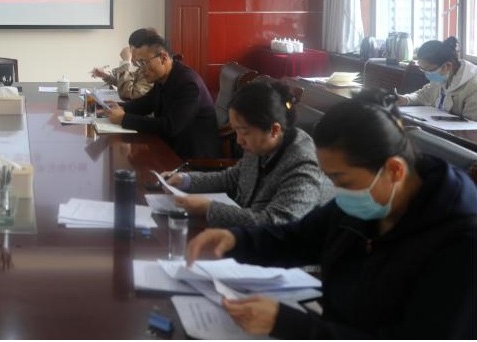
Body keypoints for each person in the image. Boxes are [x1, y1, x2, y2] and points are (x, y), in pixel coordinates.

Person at [185, 90, 477, 339]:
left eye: (342, 179)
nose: (336, 190)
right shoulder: (368, 199)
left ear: (394, 170)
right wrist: (235, 240)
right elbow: (298, 238)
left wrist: (287, 323)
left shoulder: (460, 242)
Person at [164, 81, 332, 227]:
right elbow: (232, 178)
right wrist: (186, 180)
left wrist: (209, 208)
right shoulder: (261, 145)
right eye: (236, 131)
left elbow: (277, 222)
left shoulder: (303, 163)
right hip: (249, 238)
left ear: (274, 130)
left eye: (244, 132)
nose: (238, 140)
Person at [104, 34, 220, 158]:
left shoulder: (188, 84)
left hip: (192, 159)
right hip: (169, 148)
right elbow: (144, 104)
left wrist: (123, 119)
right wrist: (118, 107)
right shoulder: (164, 78)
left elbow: (169, 126)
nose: (141, 69)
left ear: (163, 58)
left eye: (144, 63)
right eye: (138, 64)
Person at [398, 36, 477, 120]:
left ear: (447, 66)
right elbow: (424, 94)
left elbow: (471, 123)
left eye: (429, 70)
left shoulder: (473, 86)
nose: (427, 74)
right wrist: (405, 99)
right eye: (423, 69)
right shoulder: (443, 76)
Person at [91, 27, 157, 100]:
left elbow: (127, 94)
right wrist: (105, 75)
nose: (130, 52)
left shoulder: (151, 70)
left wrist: (126, 62)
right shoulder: (143, 68)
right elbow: (126, 83)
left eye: (131, 48)